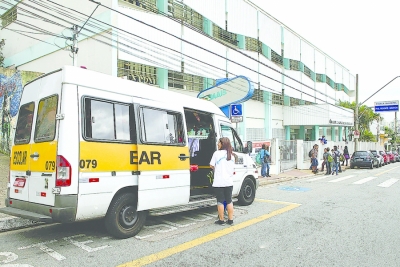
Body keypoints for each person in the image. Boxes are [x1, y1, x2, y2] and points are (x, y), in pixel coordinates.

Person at [210, 137, 235, 226]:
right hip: (229, 182)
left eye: (219, 143)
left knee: (220, 201)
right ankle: (230, 220)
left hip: (219, 182)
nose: (218, 144)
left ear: (223, 144)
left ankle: (221, 220)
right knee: (229, 200)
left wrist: (217, 168)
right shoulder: (231, 156)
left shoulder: (217, 153)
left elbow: (211, 165)